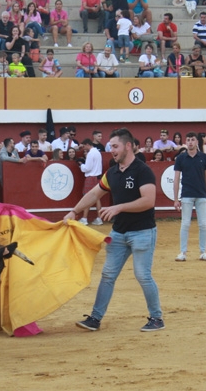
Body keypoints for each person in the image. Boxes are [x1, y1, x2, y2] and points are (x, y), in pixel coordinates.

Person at [67, 128, 163, 333]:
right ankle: (95, 318)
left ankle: (156, 317)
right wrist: (74, 212)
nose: (112, 150)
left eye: (115, 146)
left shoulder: (142, 170)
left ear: (128, 146)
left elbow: (148, 201)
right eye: (111, 147)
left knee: (143, 275)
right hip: (119, 233)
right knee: (108, 275)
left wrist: (119, 207)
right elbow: (94, 193)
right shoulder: (112, 172)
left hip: (142, 231)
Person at [172, 132, 206, 262]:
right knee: (185, 224)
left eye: (192, 140)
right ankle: (182, 252)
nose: (190, 142)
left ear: (196, 142)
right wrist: (176, 199)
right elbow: (176, 179)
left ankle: (203, 251)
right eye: (188, 140)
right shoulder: (181, 158)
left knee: (203, 224)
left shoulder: (204, 158)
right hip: (187, 195)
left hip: (201, 194)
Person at [76, 138, 104, 226]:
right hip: (98, 176)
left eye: (84, 146)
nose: (84, 148)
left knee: (87, 197)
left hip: (91, 177)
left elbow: (87, 168)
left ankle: (84, 218)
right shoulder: (97, 152)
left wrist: (81, 165)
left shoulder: (91, 153)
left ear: (87, 144)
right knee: (97, 197)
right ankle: (99, 218)